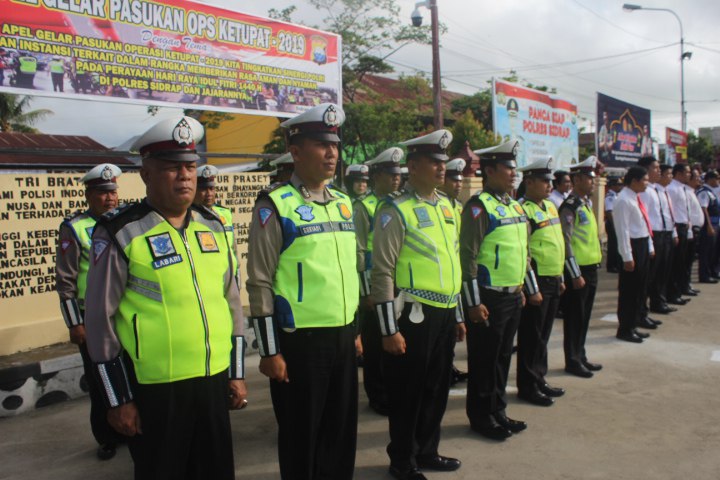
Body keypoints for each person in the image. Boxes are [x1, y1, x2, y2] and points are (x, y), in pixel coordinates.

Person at [84, 116, 247, 480]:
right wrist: (118, 399)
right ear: (146, 174)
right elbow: (99, 320)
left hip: (212, 381)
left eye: (189, 166)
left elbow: (231, 302)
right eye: (172, 168)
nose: (185, 176)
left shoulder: (213, 225)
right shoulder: (120, 232)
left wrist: (236, 372)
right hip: (156, 390)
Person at [246, 103, 360, 480]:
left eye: (335, 145)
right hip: (301, 343)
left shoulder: (343, 203)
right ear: (295, 151)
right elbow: (260, 280)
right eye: (320, 145)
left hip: (342, 335)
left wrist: (355, 330)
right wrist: (269, 349)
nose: (332, 154)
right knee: (301, 433)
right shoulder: (275, 206)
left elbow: (348, 272)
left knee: (340, 430)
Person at [371, 129, 463, 480]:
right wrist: (388, 329)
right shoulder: (395, 210)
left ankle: (427, 450)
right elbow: (382, 272)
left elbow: (450, 262)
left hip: (442, 313)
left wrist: (456, 312)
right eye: (433, 162)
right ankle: (402, 460)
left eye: (443, 162)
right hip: (412, 315)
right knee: (408, 391)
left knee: (437, 389)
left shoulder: (447, 207)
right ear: (413, 166)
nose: (442, 168)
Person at [461, 139, 538, 440]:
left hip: (512, 295)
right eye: (507, 168)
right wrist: (472, 302)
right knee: (484, 361)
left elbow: (525, 251)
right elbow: (467, 256)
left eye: (514, 168)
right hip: (488, 296)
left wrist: (522, 286)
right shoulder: (479, 207)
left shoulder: (515, 205)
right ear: (489, 170)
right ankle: (481, 416)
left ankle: (498, 411)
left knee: (503, 356)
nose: (513, 173)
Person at [56, 163, 125, 460]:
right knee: (101, 381)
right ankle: (107, 436)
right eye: (101, 193)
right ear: (88, 195)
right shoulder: (75, 228)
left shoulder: (122, 223)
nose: (109, 199)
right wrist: (75, 324)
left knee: (130, 375)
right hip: (91, 318)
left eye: (112, 193)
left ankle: (132, 426)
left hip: (122, 315)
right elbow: (65, 281)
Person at [355, 147, 403, 416]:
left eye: (397, 174)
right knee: (375, 344)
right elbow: (360, 251)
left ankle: (391, 390)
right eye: (389, 174)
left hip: (398, 282)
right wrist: (366, 293)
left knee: (394, 340)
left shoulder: (399, 204)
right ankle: (377, 394)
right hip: (374, 283)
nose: (395, 179)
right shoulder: (364, 206)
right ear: (377, 176)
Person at [515, 158, 566, 407]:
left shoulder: (550, 206)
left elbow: (557, 243)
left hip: (553, 278)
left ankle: (539, 378)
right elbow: (523, 252)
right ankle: (527, 385)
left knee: (544, 335)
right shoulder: (522, 209)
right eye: (544, 181)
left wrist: (562, 277)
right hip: (537, 281)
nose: (549, 185)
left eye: (550, 181)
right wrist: (531, 287)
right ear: (529, 182)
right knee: (531, 336)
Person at [559, 156, 603, 378]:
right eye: (587, 178)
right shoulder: (570, 206)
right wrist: (574, 273)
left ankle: (581, 354)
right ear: (576, 179)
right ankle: (573, 360)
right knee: (575, 318)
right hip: (578, 272)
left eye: (592, 178)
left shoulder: (586, 204)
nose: (592, 182)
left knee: (584, 317)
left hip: (591, 268)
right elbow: (566, 242)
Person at [612, 166, 655, 343]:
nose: (647, 183)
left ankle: (633, 325)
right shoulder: (623, 200)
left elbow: (644, 222)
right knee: (629, 291)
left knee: (640, 288)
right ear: (635, 181)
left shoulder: (635, 198)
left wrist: (650, 245)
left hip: (642, 244)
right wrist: (627, 256)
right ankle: (625, 329)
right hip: (633, 247)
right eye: (645, 180)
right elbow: (623, 231)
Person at [439, 157, 469, 385]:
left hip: (456, 270)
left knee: (453, 330)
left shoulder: (458, 207)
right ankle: (444, 368)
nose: (458, 185)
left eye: (460, 181)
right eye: (453, 180)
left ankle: (449, 366)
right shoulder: (440, 205)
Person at [194, 164, 238, 273]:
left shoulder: (225, 213)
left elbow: (233, 247)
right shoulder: (189, 216)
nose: (209, 194)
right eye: (203, 189)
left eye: (211, 188)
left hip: (231, 275)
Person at [667, 164, 696, 301]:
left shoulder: (682, 188)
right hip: (677, 227)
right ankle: (672, 293)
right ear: (678, 173)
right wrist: (675, 232)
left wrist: (689, 229)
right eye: (687, 172)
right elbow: (670, 211)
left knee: (682, 261)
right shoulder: (672, 188)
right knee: (675, 263)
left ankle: (678, 291)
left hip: (684, 226)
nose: (689, 175)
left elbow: (686, 211)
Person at [696, 170, 719, 283]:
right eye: (717, 178)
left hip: (714, 225)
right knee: (706, 252)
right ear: (710, 179)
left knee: (712, 251)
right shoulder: (704, 192)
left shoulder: (710, 192)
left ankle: (710, 272)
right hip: (708, 227)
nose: (718, 181)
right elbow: (704, 209)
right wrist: (709, 225)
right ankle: (704, 275)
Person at [604, 176, 623, 273]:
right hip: (612, 224)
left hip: (616, 223)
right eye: (619, 184)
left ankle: (616, 264)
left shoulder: (616, 195)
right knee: (613, 245)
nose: (621, 186)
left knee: (617, 244)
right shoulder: (610, 197)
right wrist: (614, 225)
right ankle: (612, 266)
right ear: (613, 186)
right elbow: (609, 211)